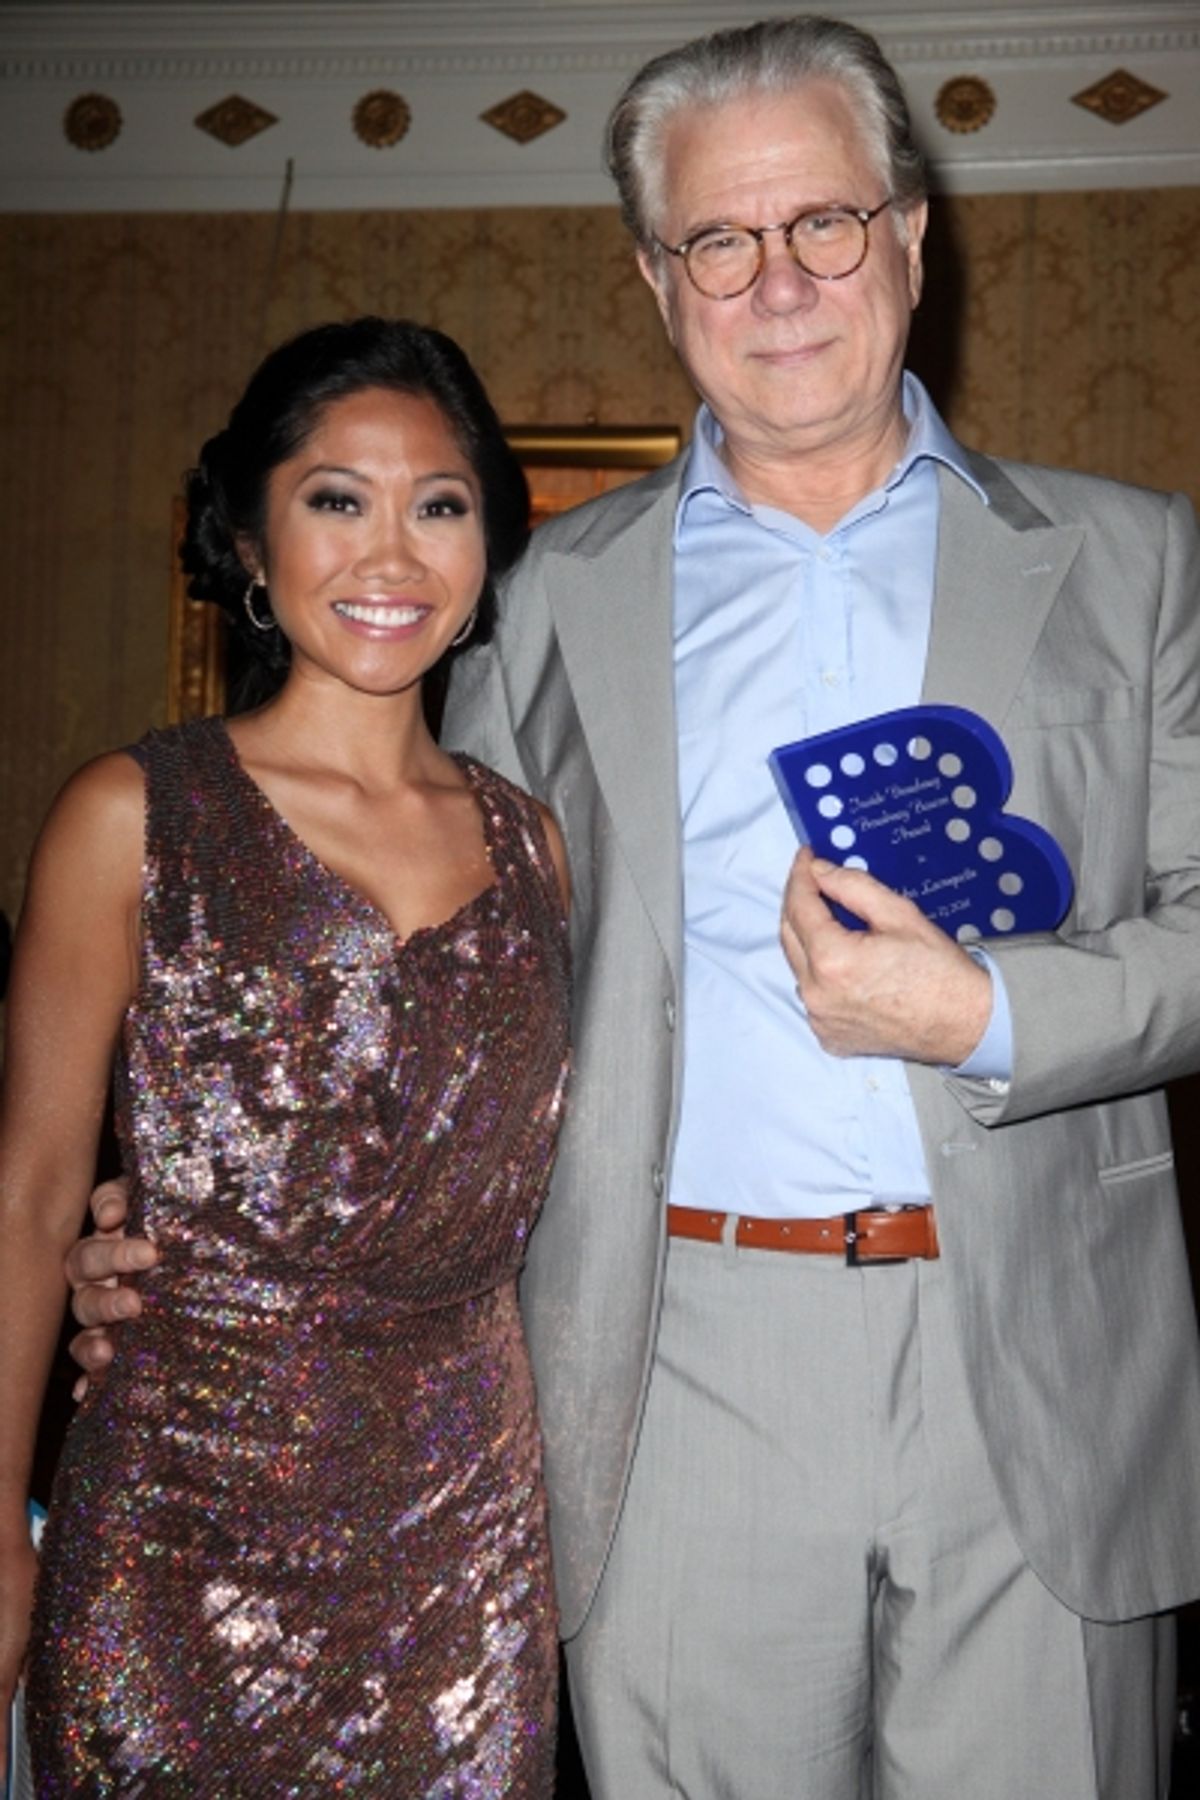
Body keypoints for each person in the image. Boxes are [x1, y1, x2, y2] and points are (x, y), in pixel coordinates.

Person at [66, 15, 1200, 1799]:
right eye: (717, 242)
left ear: (911, 235)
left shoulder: (1139, 564)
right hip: (675, 1372)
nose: (780, 283)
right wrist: (195, 1219)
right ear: (656, 280)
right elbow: (423, 971)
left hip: (1041, 1371)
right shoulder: (537, 605)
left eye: (825, 223)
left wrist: (986, 1015)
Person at [0, 317, 570, 1794]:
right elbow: (31, 1198)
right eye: (336, 499)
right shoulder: (132, 815)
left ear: (488, 547)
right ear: (249, 537)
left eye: (438, 505)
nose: (391, 555)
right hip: (175, 1537)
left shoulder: (537, 848)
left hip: (466, 1559)